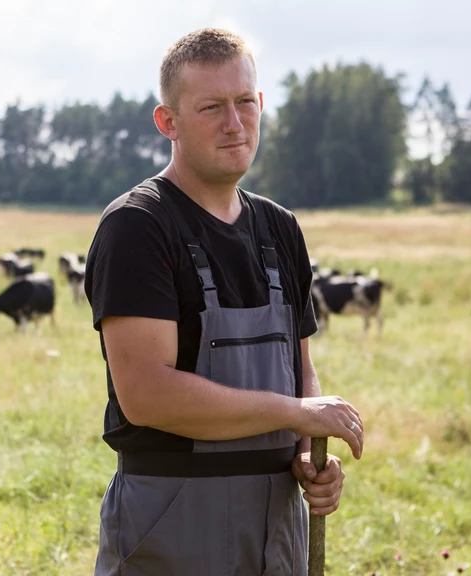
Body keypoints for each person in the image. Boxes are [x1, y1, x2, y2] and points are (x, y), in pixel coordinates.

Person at [84, 27, 365, 575]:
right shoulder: (138, 227)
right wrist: (297, 413)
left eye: (244, 103)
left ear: (260, 105)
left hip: (277, 530)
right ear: (169, 122)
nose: (234, 124)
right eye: (211, 106)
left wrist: (310, 454)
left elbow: (299, 369)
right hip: (171, 524)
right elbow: (147, 396)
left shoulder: (280, 228)